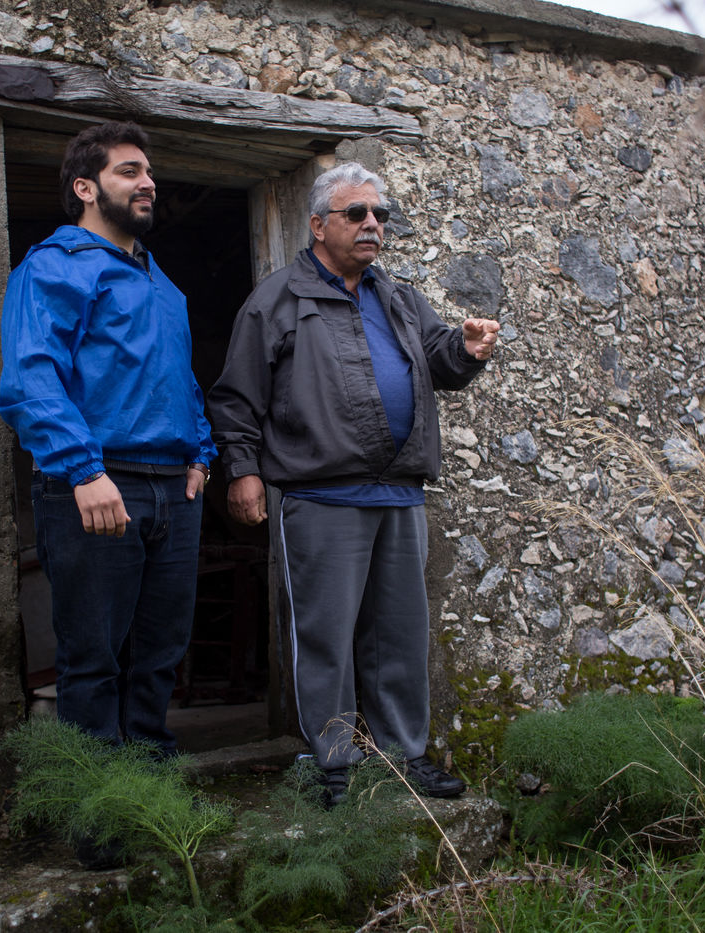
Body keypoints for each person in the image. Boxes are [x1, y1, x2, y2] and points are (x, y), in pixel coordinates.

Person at [208, 161, 500, 805]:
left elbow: (439, 362)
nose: (373, 225)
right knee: (325, 638)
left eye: (380, 215)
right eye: (357, 213)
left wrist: (466, 349)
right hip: (322, 495)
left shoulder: (397, 297)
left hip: (399, 494)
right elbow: (236, 398)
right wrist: (243, 470)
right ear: (318, 225)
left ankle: (404, 756)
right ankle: (333, 763)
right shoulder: (277, 300)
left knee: (400, 636)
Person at [0, 121, 215, 760]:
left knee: (160, 653)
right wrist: (83, 472)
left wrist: (200, 453)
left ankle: (149, 786)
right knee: (93, 658)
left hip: (174, 488)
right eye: (129, 171)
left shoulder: (160, 282)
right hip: (97, 481)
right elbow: (31, 378)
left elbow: (179, 376)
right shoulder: (54, 267)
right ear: (85, 188)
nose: (148, 183)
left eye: (149, 172)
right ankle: (98, 802)